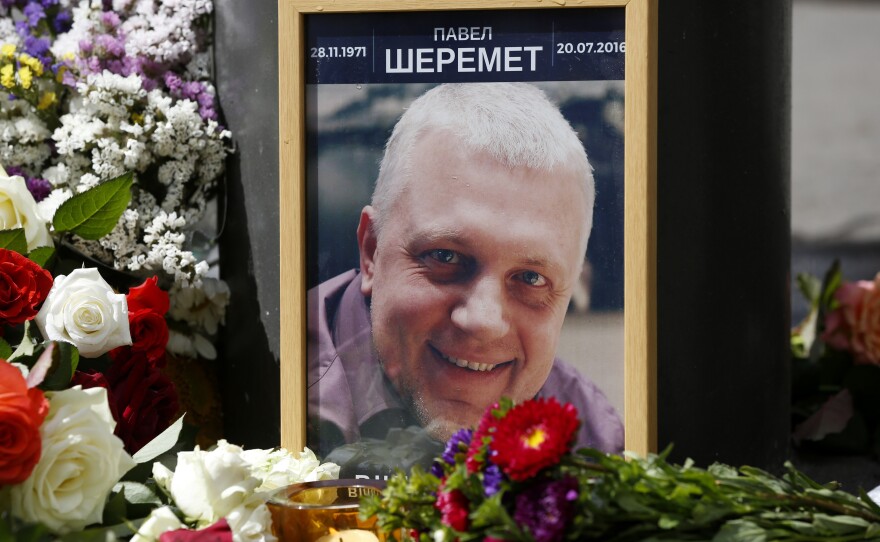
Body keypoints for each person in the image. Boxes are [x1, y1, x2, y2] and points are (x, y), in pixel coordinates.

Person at [307, 83, 623, 461]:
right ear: (371, 250)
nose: (484, 321)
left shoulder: (588, 436)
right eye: (445, 256)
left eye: (530, 278)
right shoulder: (277, 393)